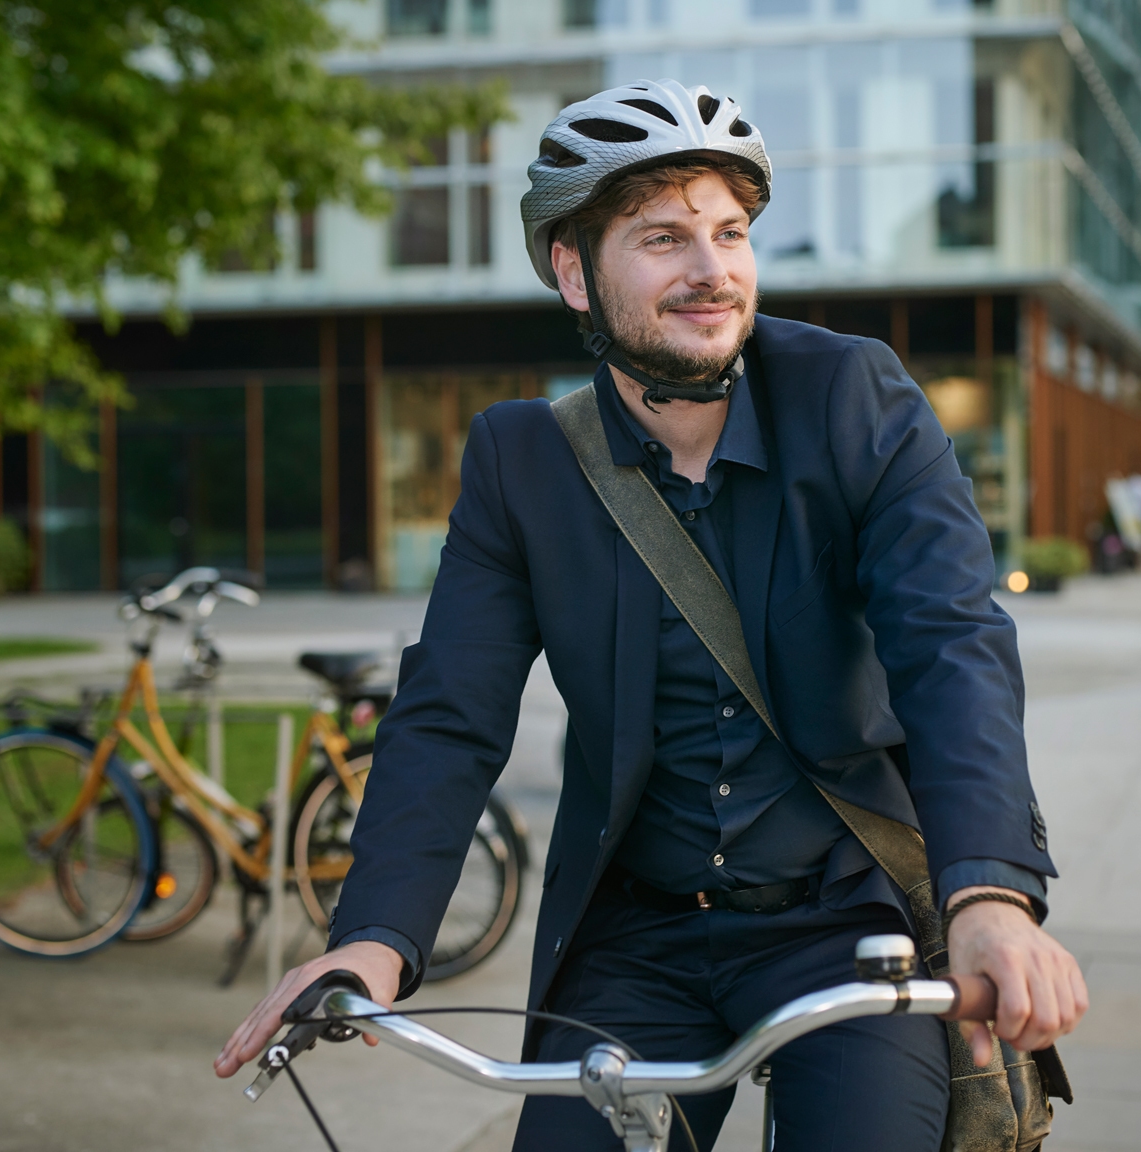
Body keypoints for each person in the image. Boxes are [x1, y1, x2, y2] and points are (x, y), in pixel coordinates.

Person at [213, 80, 1086, 1150]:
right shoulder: (520, 460)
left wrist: (988, 894)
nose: (712, 269)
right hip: (636, 933)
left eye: (729, 232)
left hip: (843, 922)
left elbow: (951, 642)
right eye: (664, 237)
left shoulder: (856, 398)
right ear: (575, 271)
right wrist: (377, 939)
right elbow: (451, 710)